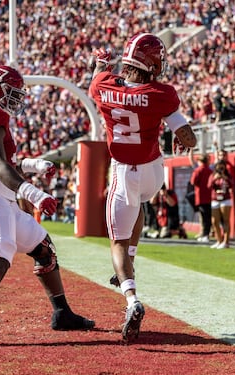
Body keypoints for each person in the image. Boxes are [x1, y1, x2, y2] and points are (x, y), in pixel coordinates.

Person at [0, 65, 94, 347]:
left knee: (43, 248)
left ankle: (62, 313)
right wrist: (35, 195)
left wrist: (34, 165)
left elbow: (3, 163)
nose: (15, 100)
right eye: (11, 93)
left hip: (0, 197)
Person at [89, 33, 197, 341]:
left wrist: (100, 64)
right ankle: (131, 264)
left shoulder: (103, 85)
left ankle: (131, 298)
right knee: (139, 205)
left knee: (117, 243)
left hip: (124, 169)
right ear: (150, 62)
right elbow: (190, 139)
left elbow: (96, 79)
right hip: (153, 171)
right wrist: (181, 135)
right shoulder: (161, 93)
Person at [208, 160, 234, 249]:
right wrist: (215, 178)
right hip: (215, 199)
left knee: (225, 220)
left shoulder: (228, 175)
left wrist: (224, 177)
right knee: (214, 221)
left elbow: (232, 185)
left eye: (222, 166)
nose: (220, 168)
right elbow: (208, 186)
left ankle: (226, 242)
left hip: (225, 199)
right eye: (219, 166)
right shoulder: (213, 175)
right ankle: (218, 240)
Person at [189, 153, 213, 243]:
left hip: (201, 197)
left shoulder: (198, 170)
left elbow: (193, 181)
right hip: (209, 196)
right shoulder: (210, 170)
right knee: (208, 216)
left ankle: (205, 234)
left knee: (203, 216)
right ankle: (206, 234)